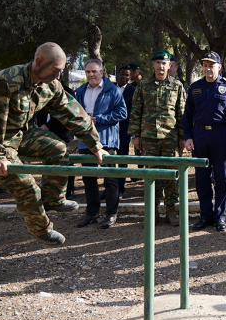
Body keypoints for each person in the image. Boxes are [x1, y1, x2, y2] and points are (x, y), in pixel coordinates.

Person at [0, 42, 109, 246]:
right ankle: (41, 229)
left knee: (59, 149)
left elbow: (73, 113)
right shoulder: (5, 81)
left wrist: (95, 145)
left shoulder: (50, 84)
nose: (58, 76)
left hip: (20, 134)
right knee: (26, 185)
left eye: (61, 71)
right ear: (39, 61)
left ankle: (52, 199)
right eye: (55, 70)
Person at [182, 51, 226, 232]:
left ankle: (220, 217)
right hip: (199, 136)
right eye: (205, 65)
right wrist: (188, 137)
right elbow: (187, 117)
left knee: (221, 178)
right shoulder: (195, 88)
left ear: (219, 67)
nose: (208, 69)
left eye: (211, 65)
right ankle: (205, 216)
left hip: (221, 136)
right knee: (202, 179)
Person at [128, 50, 187, 226]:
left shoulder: (177, 86)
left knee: (172, 177)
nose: (161, 66)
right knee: (151, 175)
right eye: (158, 62)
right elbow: (136, 111)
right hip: (148, 138)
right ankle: (152, 212)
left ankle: (171, 211)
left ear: (170, 65)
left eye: (164, 63)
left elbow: (182, 113)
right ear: (153, 64)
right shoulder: (143, 85)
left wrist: (183, 137)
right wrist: (136, 136)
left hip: (171, 138)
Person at [73, 59, 127, 229]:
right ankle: (92, 213)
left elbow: (122, 112)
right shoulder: (80, 91)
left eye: (94, 71)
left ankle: (111, 213)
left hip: (106, 141)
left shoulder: (112, 90)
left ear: (102, 73)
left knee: (110, 179)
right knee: (88, 180)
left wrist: (99, 119)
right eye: (88, 72)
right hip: (85, 141)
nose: (91, 75)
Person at [116, 66, 136, 196]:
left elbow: (132, 112)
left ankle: (120, 188)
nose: (124, 77)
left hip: (124, 130)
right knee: (107, 160)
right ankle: (109, 188)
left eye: (127, 75)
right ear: (118, 74)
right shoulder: (110, 88)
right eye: (122, 74)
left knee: (122, 160)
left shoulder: (132, 91)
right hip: (109, 130)